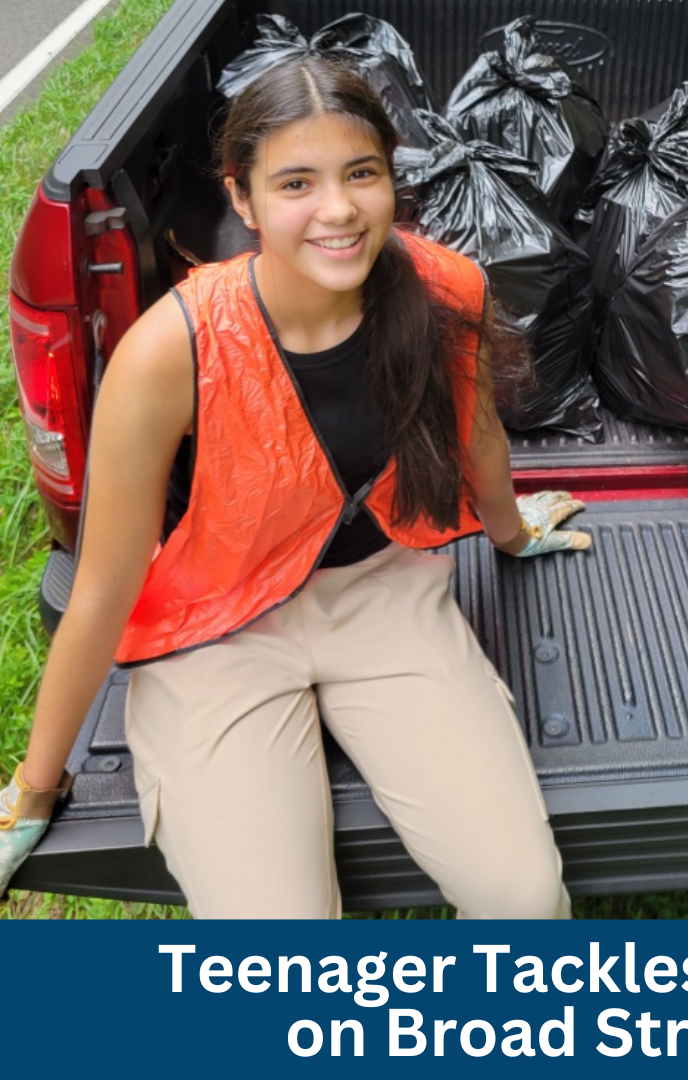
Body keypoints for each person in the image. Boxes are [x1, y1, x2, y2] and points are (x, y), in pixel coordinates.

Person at [0, 56, 590, 918]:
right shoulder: (173, 348)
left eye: (362, 174)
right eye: (296, 183)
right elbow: (103, 587)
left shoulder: (443, 289)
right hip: (218, 631)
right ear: (242, 200)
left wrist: (511, 532)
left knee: (527, 899)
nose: (339, 210)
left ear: (392, 177)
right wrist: (33, 789)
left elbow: (477, 436)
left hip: (383, 600)